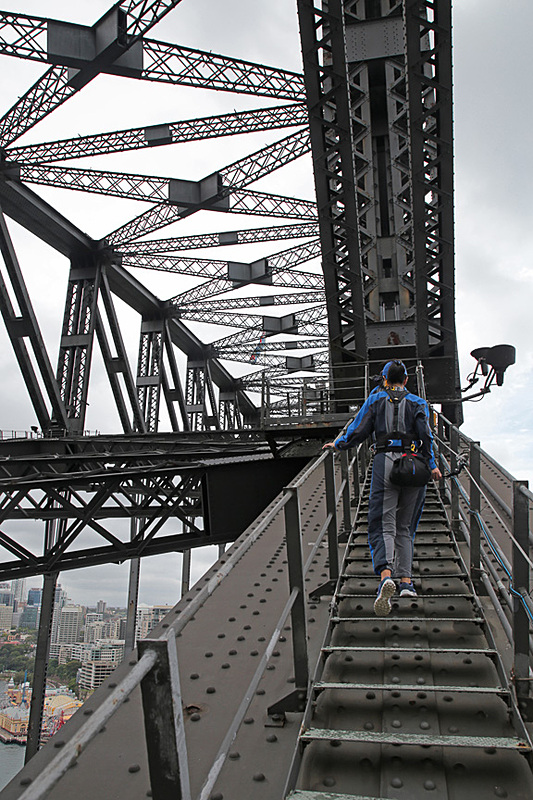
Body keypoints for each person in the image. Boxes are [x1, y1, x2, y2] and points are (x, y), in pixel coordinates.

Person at [323, 360, 442, 616]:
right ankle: (407, 582)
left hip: (385, 461)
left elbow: (359, 429)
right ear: (407, 380)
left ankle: (386, 575)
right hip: (414, 464)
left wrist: (339, 444)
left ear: (385, 379)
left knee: (382, 522)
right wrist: (432, 465)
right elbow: (426, 436)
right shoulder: (419, 403)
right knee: (406, 526)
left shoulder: (376, 399)